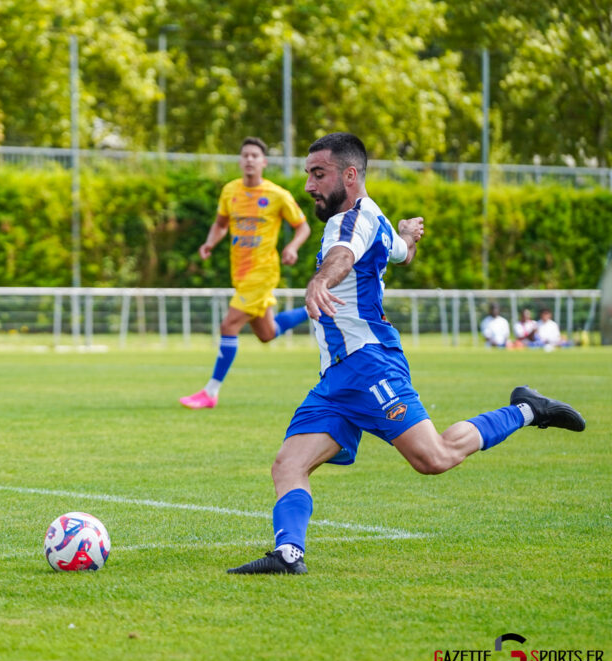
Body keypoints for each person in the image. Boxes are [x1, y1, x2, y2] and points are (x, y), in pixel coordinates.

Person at [227, 133, 586, 576]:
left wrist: (320, 279)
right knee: (289, 464)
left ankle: (527, 410)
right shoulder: (373, 216)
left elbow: (341, 256)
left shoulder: (348, 223)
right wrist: (407, 236)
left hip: (370, 363)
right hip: (337, 378)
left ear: (350, 175)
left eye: (318, 174)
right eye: (308, 175)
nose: (309, 185)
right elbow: (400, 254)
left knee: (432, 458)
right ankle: (288, 555)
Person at [179, 136, 312, 410]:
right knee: (267, 333)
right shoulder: (230, 191)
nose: (249, 159)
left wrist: (293, 247)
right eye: (245, 155)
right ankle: (312, 310)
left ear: (263, 162)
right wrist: (209, 242)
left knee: (228, 325)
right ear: (240, 161)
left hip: (263, 272)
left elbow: (303, 227)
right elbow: (220, 224)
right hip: (239, 273)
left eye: (254, 155)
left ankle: (210, 392)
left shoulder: (278, 195)